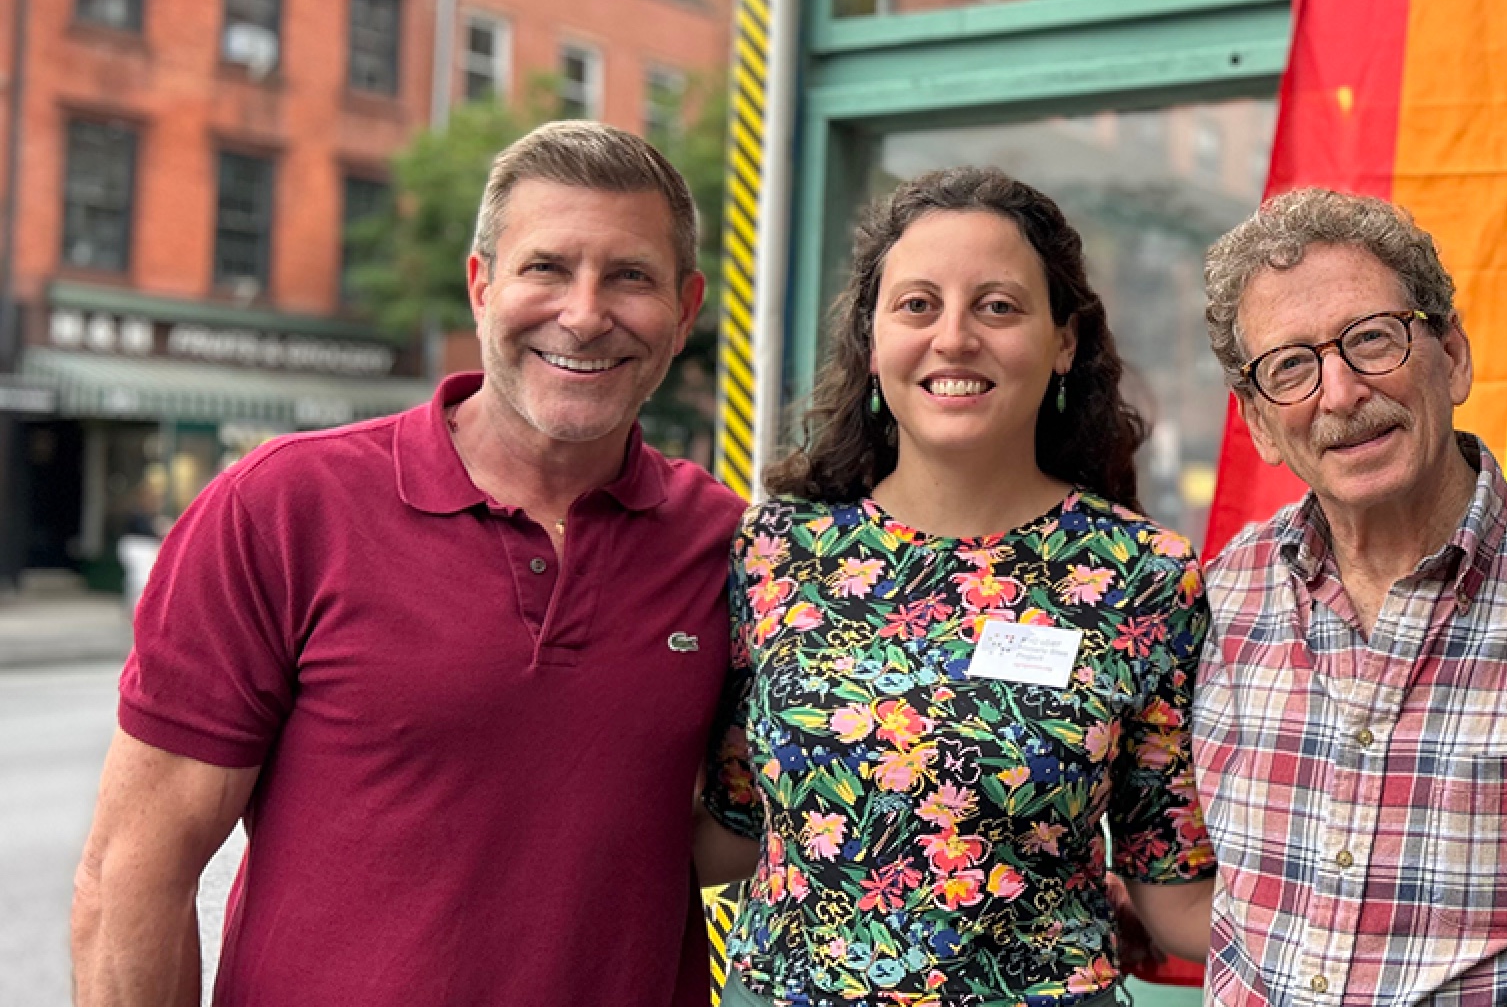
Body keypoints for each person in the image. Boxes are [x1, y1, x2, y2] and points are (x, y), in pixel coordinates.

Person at [70, 121, 743, 1006]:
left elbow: (724, 830)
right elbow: (131, 875)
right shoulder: (285, 507)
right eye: (546, 267)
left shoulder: (727, 546)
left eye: (631, 276)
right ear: (480, 285)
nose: (584, 314)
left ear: (686, 309)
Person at [697, 167, 1216, 1007]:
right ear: (872, 343)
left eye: (998, 306)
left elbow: (1173, 887)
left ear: (1064, 343)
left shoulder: (1145, 576)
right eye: (917, 305)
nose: (954, 337)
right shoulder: (773, 552)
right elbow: (726, 828)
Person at [1195, 188, 1507, 1006]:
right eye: (1290, 367)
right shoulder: (1226, 595)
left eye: (1372, 340)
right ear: (1260, 424)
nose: (1339, 394)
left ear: (1453, 357)